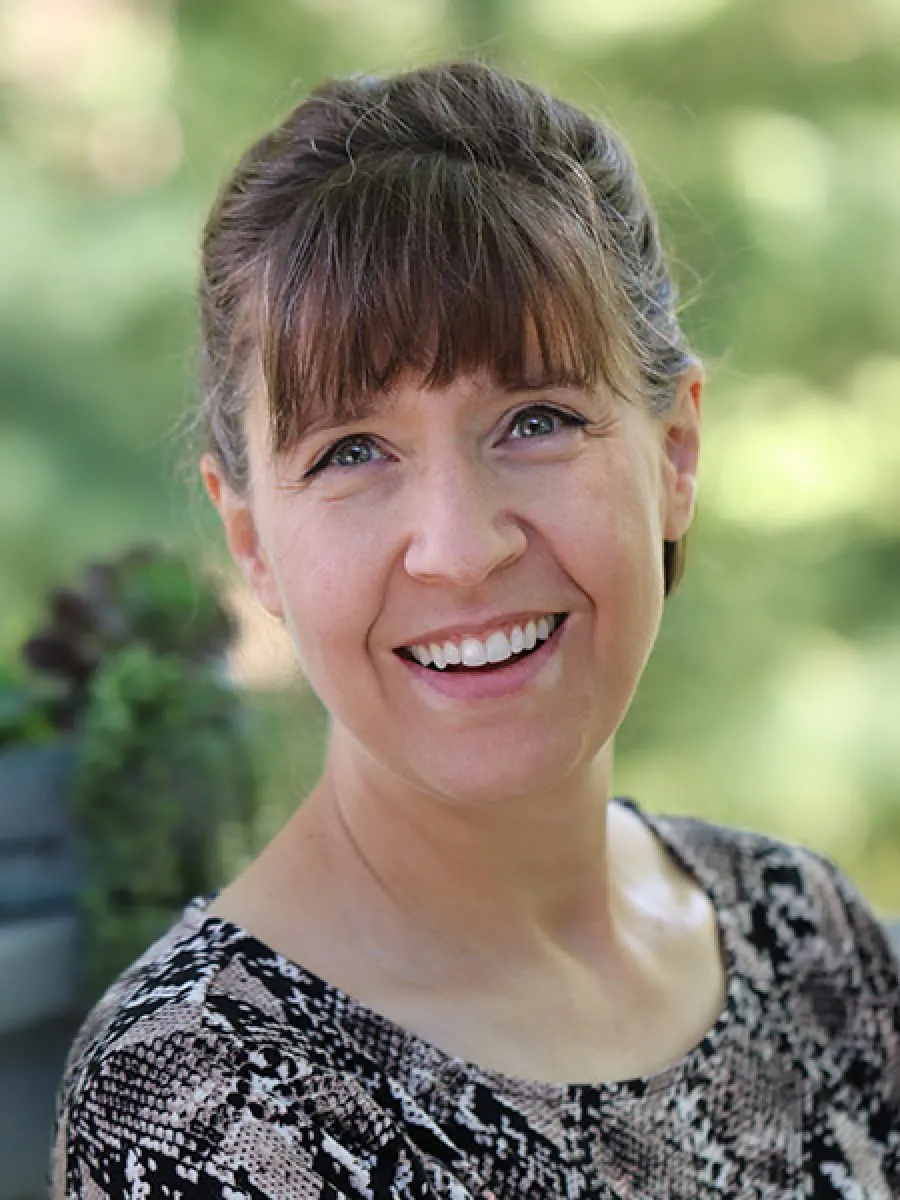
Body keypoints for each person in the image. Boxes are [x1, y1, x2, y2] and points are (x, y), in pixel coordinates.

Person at [52, 61, 898, 1198]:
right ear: (250, 541)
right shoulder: (204, 1097)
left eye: (536, 420)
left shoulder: (811, 943)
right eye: (352, 451)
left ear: (676, 455)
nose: (459, 546)